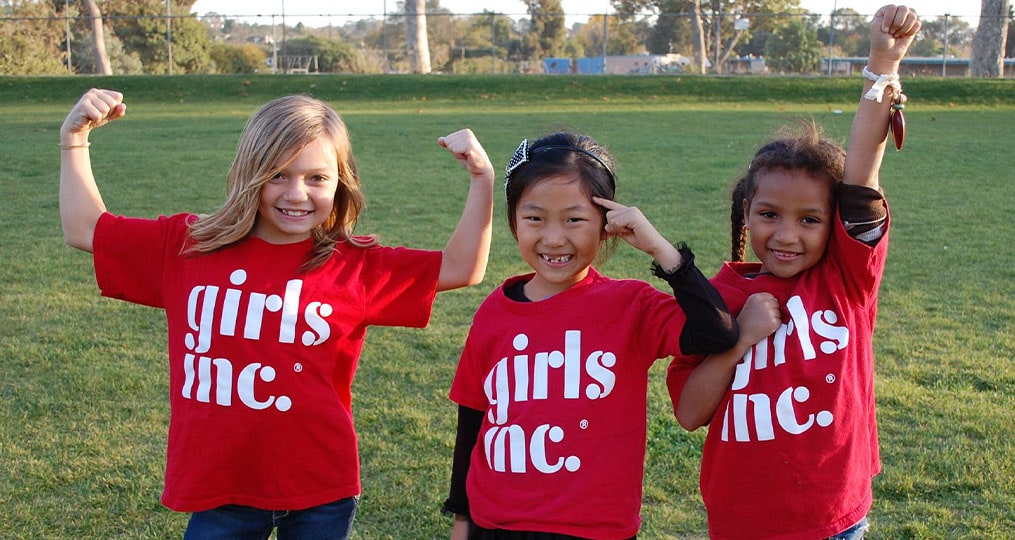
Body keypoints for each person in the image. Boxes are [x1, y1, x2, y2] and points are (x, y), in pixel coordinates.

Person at [58, 89, 495, 539]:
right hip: (222, 490)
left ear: (340, 182)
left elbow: (462, 267)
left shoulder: (355, 264)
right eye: (279, 175)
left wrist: (481, 180)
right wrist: (75, 140)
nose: (297, 194)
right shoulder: (189, 245)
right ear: (251, 173)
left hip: (320, 490)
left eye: (317, 178)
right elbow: (85, 229)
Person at [665, 5, 922, 539]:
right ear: (746, 212)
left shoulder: (848, 278)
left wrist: (883, 63)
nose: (786, 235)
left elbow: (862, 174)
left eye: (810, 220)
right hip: (743, 521)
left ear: (836, 225)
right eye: (769, 215)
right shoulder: (719, 294)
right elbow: (690, 413)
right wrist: (738, 342)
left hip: (836, 518)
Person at [442, 131, 753, 539]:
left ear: (606, 225)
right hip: (495, 523)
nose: (554, 238)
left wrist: (661, 249)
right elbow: (474, 418)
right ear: (514, 220)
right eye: (534, 218)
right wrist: (462, 519)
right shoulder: (494, 313)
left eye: (574, 219)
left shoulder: (630, 306)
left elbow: (718, 333)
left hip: (594, 528)